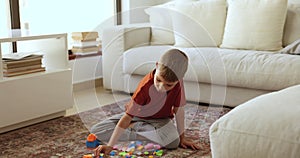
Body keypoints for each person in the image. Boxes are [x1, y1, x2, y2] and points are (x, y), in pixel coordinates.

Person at [91, 48, 200, 156]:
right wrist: (110, 145)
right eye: (158, 80)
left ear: (180, 79)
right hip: (137, 116)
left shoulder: (178, 84)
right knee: (96, 131)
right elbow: (127, 117)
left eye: (168, 85)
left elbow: (179, 111)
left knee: (173, 142)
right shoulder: (145, 87)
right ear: (157, 65)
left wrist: (182, 138)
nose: (161, 87)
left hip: (161, 120)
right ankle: (139, 127)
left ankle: (137, 128)